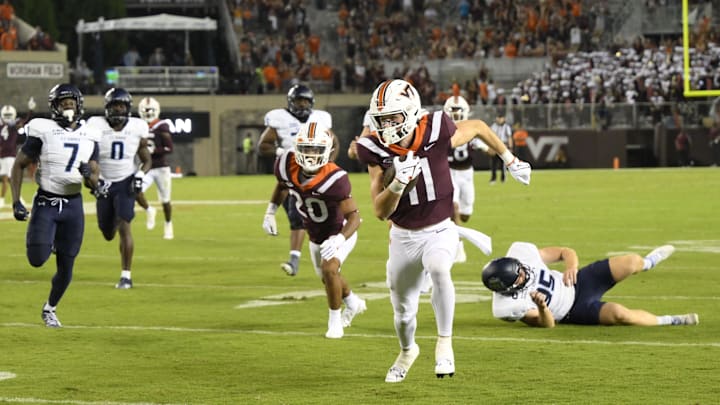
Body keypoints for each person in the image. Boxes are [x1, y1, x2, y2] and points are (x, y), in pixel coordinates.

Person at [355, 79, 531, 383]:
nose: (386, 126)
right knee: (403, 314)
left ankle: (445, 342)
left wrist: (510, 159)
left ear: (410, 112)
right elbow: (380, 210)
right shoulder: (373, 147)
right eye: (381, 119)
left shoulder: (435, 127)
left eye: (392, 118)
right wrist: (397, 185)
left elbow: (476, 126)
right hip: (402, 236)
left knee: (439, 269)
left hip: (439, 228)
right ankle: (408, 351)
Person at [262, 122, 366, 338]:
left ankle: (335, 323)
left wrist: (339, 239)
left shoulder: (335, 178)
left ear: (326, 151)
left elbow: (355, 218)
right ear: (297, 148)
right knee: (328, 277)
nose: (310, 154)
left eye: (316, 149)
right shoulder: (285, 164)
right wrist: (270, 211)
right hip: (315, 234)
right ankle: (353, 303)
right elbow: (283, 185)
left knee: (329, 270)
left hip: (340, 231)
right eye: (306, 148)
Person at [10, 83, 101, 327]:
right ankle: (47, 240)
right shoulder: (43, 129)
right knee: (37, 258)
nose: (68, 106)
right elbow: (18, 164)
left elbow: (94, 180)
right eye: (64, 103)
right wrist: (16, 200)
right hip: (47, 202)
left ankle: (50, 308)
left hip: (73, 206)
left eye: (72, 102)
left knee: (66, 266)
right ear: (54, 107)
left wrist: (91, 178)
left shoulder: (91, 132)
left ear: (79, 105)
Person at [481, 242, 699, 328]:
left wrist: (571, 267)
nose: (524, 273)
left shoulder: (520, 253)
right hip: (572, 310)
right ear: (507, 288)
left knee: (631, 262)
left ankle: (650, 262)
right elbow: (547, 324)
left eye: (520, 268)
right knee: (620, 314)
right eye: (518, 277)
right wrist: (541, 306)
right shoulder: (507, 306)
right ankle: (672, 321)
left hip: (577, 281)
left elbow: (565, 251)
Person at [258, 83, 334, 276]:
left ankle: (328, 251)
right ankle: (295, 260)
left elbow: (335, 143)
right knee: (297, 218)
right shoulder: (280, 118)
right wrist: (283, 152)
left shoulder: (320, 118)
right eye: (298, 100)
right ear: (291, 102)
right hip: (292, 173)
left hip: (317, 175)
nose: (301, 104)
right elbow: (263, 145)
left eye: (305, 101)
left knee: (319, 219)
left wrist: (327, 165)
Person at [86, 88, 151, 289]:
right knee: (107, 232)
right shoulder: (95, 126)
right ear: (106, 108)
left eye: (121, 106)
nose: (118, 110)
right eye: (114, 106)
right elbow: (89, 160)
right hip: (104, 182)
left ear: (128, 108)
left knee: (125, 226)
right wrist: (93, 182)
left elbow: (146, 159)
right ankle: (114, 216)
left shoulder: (137, 127)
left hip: (125, 182)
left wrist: (140, 175)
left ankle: (126, 276)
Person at [443, 94, 489, 263]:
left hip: (467, 174)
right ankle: (458, 247)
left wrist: (493, 148)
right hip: (448, 173)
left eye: (458, 111)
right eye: (452, 111)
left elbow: (488, 148)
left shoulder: (471, 132)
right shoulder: (442, 130)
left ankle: (456, 233)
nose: (455, 115)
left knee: (465, 215)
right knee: (453, 210)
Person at [134, 96, 174, 240]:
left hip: (161, 167)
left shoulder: (162, 125)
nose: (148, 113)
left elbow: (169, 148)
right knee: (135, 191)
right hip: (146, 167)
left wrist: (154, 151)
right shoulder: (138, 125)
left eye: (151, 110)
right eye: (146, 110)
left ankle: (168, 224)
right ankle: (149, 210)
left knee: (165, 200)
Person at [0, 97, 35, 209]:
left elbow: (25, 121)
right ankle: (10, 199)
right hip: (4, 155)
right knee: (8, 178)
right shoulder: (4, 126)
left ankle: (9, 199)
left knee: (8, 178)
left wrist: (30, 111)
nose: (8, 118)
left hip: (9, 155)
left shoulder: (12, 125)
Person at [488, 113, 513, 184]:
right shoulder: (493, 126)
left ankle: (503, 178)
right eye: (498, 118)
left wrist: (510, 147)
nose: (499, 119)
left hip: (503, 145)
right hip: (495, 146)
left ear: (504, 119)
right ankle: (493, 179)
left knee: (503, 163)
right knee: (493, 163)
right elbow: (489, 136)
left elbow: (509, 137)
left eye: (500, 118)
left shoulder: (506, 127)